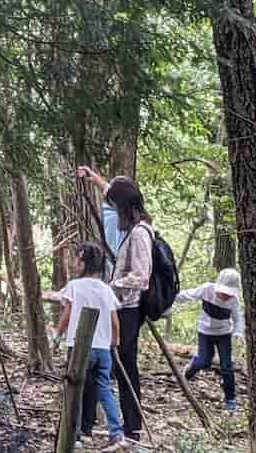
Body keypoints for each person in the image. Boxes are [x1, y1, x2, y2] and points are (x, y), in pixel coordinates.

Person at [56, 242, 127, 451]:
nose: (74, 263)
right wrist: (115, 341)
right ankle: (116, 432)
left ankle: (75, 435)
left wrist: (56, 336)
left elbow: (67, 314)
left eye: (76, 259)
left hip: (79, 348)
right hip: (103, 350)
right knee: (104, 389)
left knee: (74, 390)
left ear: (83, 262)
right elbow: (115, 320)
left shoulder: (75, 286)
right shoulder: (106, 289)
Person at [102, 175, 153, 442]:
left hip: (129, 309)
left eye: (115, 207)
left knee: (126, 367)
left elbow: (141, 277)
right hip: (122, 307)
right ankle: (127, 424)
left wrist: (110, 286)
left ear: (125, 207)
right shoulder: (132, 232)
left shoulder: (140, 233)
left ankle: (132, 427)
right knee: (120, 367)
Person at [172, 268, 244, 414]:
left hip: (224, 334)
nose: (225, 296)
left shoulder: (233, 301)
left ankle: (230, 399)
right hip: (205, 332)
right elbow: (188, 295)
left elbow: (237, 318)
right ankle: (187, 374)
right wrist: (169, 297)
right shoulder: (207, 290)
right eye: (223, 292)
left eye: (228, 294)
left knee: (227, 366)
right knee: (204, 360)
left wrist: (238, 333)